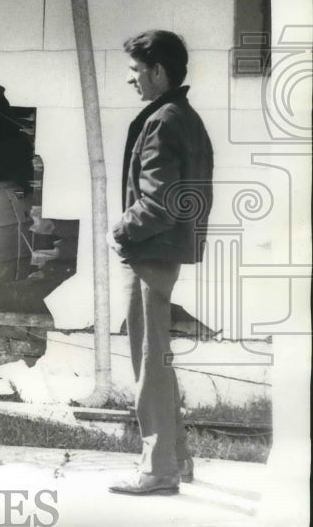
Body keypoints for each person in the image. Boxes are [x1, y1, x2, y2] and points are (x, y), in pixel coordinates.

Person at [107, 30, 213, 496]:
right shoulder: (181, 116)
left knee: (149, 364)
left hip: (150, 254)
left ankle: (158, 469)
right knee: (160, 361)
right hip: (162, 254)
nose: (131, 79)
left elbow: (162, 202)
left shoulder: (163, 121)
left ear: (158, 71)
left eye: (136, 71)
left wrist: (122, 228)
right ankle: (180, 459)